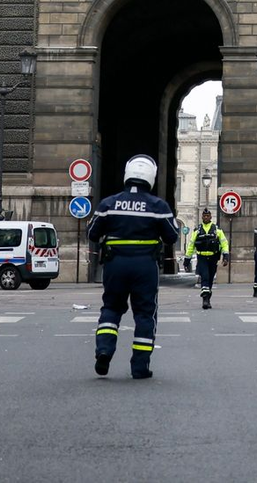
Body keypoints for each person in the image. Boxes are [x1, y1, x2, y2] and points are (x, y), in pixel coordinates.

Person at [86, 154, 178, 380]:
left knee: (111, 307)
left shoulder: (109, 203)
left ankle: (104, 350)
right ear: (151, 177)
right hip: (145, 266)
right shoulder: (158, 206)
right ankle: (140, 366)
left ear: (127, 174)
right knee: (145, 314)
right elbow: (172, 236)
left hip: (115, 264)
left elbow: (92, 233)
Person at [185, 207, 229, 309]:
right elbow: (191, 245)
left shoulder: (217, 230)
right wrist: (187, 260)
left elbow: (224, 243)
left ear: (210, 217)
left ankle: (208, 299)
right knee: (205, 276)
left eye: (207, 216)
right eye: (204, 216)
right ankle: (205, 299)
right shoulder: (197, 231)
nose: (206, 217)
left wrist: (225, 256)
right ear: (202, 217)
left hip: (213, 257)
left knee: (210, 279)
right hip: (202, 257)